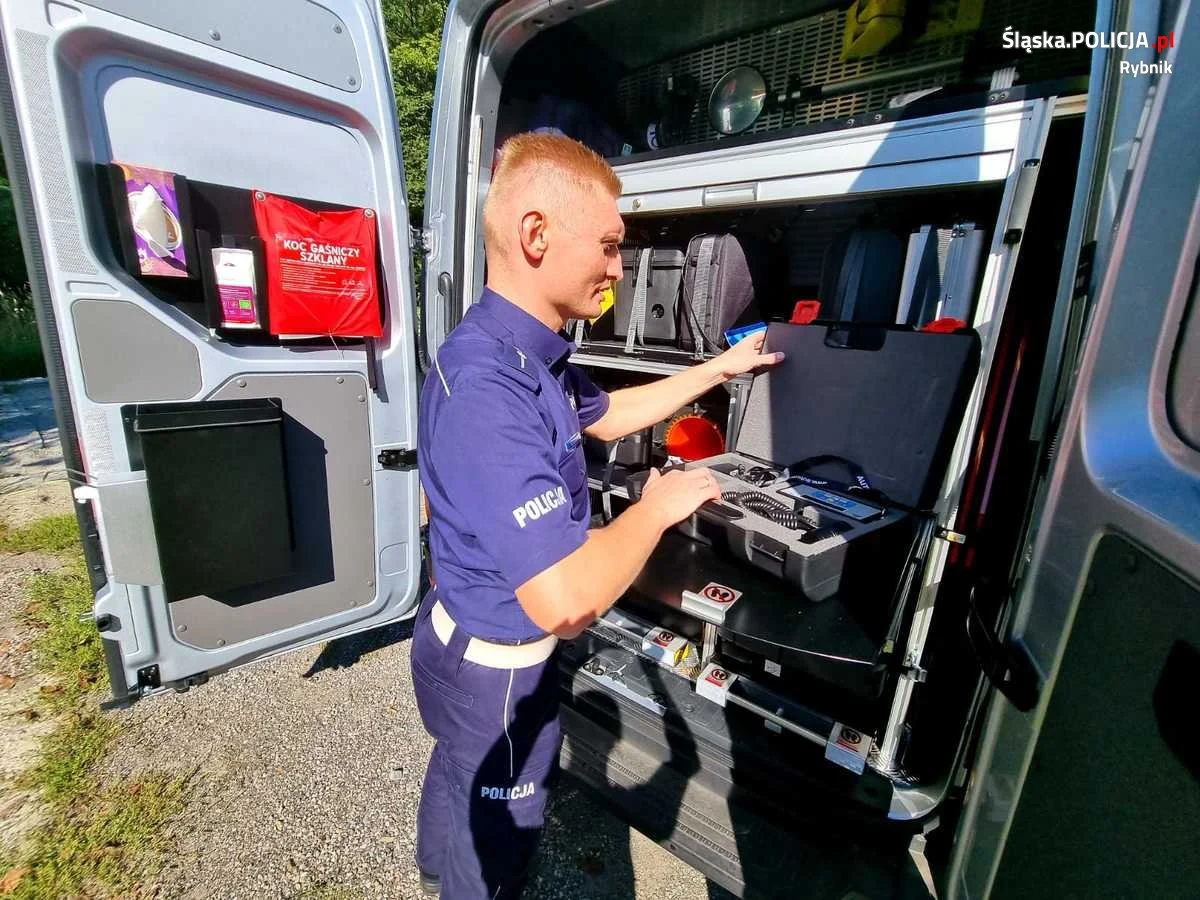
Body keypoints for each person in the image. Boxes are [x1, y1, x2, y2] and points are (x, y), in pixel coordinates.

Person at [412, 131, 782, 898]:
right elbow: (568, 601)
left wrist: (717, 369)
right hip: (498, 672)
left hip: (458, 642)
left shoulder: (522, 354)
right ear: (535, 234)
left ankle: (434, 864)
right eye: (610, 246)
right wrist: (656, 506)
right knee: (497, 850)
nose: (620, 268)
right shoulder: (490, 389)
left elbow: (608, 416)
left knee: (455, 770)